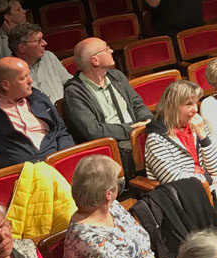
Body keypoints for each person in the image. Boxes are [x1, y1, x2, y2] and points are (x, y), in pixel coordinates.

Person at [62, 37, 153, 172]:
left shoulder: (117, 76)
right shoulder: (74, 92)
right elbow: (93, 131)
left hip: (136, 134)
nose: (111, 50)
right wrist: (131, 129)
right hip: (113, 146)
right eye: (106, 49)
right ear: (95, 60)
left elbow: (137, 104)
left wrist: (148, 121)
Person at [145, 79, 217, 186]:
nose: (195, 109)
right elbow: (175, 180)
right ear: (172, 107)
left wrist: (204, 137)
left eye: (195, 103)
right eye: (189, 104)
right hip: (185, 196)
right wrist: (210, 179)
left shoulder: (197, 126)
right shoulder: (156, 139)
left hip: (210, 186)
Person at [8, 21, 70, 103]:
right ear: (22, 47)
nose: (45, 43)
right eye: (38, 41)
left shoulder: (49, 56)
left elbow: (69, 82)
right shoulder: (8, 70)